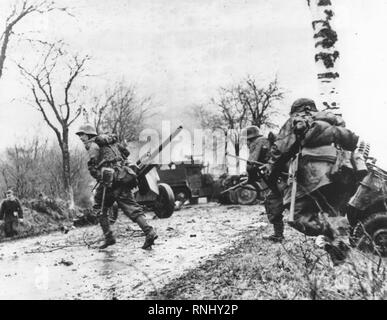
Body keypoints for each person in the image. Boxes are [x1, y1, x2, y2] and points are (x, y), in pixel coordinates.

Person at [267, 98, 359, 265]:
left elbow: (280, 151)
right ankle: (340, 261)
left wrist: (271, 175)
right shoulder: (332, 120)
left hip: (314, 176)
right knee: (334, 214)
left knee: (297, 217)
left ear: (297, 110)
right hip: (343, 173)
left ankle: (333, 235)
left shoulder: (297, 120)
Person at [76, 124, 158, 250]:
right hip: (122, 176)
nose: (80, 138)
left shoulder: (93, 146)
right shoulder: (110, 141)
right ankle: (146, 232)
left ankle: (112, 237)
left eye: (82, 135)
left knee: (103, 208)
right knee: (127, 208)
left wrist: (99, 173)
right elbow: (126, 152)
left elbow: (93, 165)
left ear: (88, 135)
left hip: (110, 182)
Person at [243, 125, 286, 242]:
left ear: (249, 139)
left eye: (246, 141)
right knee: (275, 201)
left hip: (279, 178)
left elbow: (251, 165)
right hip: (283, 176)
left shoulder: (257, 142)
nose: (247, 144)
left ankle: (278, 235)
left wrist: (250, 179)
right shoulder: (267, 141)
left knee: (272, 202)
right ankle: (278, 234)